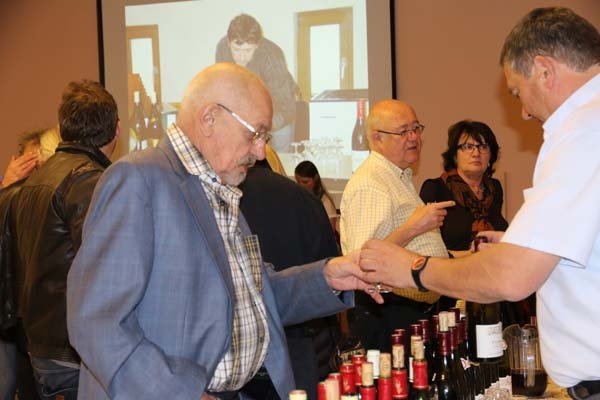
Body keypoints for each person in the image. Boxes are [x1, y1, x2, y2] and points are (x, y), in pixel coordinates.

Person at [66, 63, 382, 400]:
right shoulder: (138, 180)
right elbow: (96, 322)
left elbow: (255, 293)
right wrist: (182, 394)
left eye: (264, 138)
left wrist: (328, 277)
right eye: (255, 134)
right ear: (209, 118)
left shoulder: (218, 186)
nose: (260, 151)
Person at [359, 7, 600, 396]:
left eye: (518, 92)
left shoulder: (582, 134)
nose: (524, 112)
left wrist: (414, 270)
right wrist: (519, 245)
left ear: (544, 70)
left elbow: (511, 277)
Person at [13, 80, 119, 400]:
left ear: (61, 128)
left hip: (42, 341)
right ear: (116, 130)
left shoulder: (38, 178)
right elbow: (105, 269)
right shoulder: (88, 180)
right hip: (73, 348)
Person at [339, 99, 454, 352]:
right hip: (386, 313)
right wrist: (414, 227)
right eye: (403, 132)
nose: (414, 137)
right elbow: (361, 262)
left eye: (416, 128)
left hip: (407, 312)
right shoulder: (371, 184)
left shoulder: (397, 176)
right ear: (377, 139)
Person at [239, 159, 341, 400]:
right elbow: (328, 257)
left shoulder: (228, 200)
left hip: (247, 347)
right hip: (304, 337)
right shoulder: (304, 198)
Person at [1, 127, 59, 400]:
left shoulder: (55, 199)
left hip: (38, 319)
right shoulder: (8, 195)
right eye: (28, 165)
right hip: (9, 313)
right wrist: (6, 186)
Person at [216, 13, 298, 153]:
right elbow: (226, 89)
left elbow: (286, 107)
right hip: (249, 115)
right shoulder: (223, 48)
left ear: (257, 45)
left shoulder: (272, 57)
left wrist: (258, 128)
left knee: (279, 161)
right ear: (229, 43)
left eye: (248, 50)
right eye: (236, 50)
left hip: (278, 111)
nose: (241, 57)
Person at [420, 120, 507, 252]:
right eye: (468, 147)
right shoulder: (435, 188)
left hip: (492, 263)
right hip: (449, 264)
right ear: (455, 155)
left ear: (491, 155)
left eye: (483, 147)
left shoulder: (494, 188)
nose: (476, 153)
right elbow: (424, 246)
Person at [294, 160, 338, 233]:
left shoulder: (325, 201)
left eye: (305, 182)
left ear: (315, 178)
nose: (301, 185)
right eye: (298, 181)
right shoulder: (297, 198)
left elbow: (330, 231)